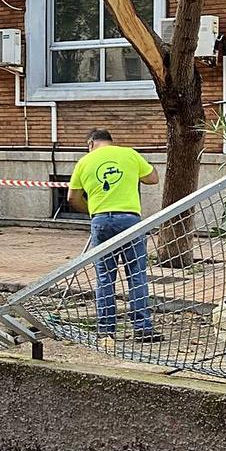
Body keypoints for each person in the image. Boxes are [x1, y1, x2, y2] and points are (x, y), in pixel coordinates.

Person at [68, 129, 163, 343]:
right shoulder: (130, 154)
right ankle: (143, 329)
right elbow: (153, 178)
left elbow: (72, 198)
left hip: (101, 221)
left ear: (91, 143)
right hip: (130, 220)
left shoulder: (84, 161)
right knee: (136, 274)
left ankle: (106, 330)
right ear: (111, 141)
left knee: (105, 277)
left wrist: (93, 212)